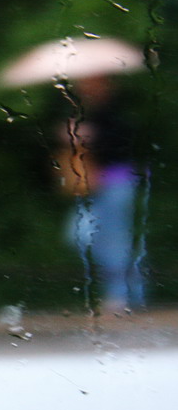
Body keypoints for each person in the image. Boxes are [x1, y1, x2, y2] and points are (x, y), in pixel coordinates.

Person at [56, 75, 147, 315]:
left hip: (117, 181)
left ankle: (122, 296)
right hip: (92, 183)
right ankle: (128, 292)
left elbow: (122, 143)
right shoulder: (83, 112)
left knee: (112, 237)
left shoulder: (113, 113)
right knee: (82, 235)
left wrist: (89, 137)